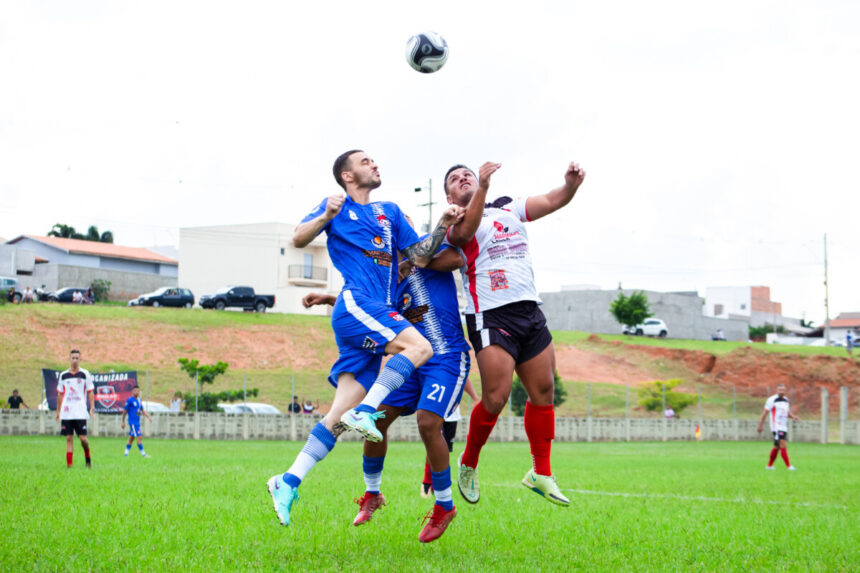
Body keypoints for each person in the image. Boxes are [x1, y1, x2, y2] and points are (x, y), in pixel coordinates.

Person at [267, 149, 464, 528]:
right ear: (347, 175)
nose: (375, 164)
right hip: (360, 305)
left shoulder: (389, 211)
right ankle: (367, 411)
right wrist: (325, 214)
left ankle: (288, 481)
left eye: (374, 160)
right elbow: (298, 238)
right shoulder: (335, 208)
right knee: (420, 347)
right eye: (365, 161)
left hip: (370, 313)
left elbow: (421, 254)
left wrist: (440, 223)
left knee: (336, 418)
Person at [438, 159, 586, 507]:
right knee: (496, 396)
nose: (463, 179)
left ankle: (541, 473)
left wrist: (571, 186)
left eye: (467, 175)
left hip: (528, 309)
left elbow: (551, 201)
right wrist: (482, 189)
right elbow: (462, 238)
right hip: (490, 313)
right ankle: (469, 462)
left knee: (544, 390)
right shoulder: (454, 220)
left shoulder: (505, 206)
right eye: (455, 180)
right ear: (449, 195)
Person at [422, 378, 479, 499]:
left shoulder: (458, 363)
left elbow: (464, 378)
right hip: (436, 409)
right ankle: (427, 482)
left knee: (444, 450)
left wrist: (475, 397)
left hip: (452, 414)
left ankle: (435, 486)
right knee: (434, 445)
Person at [56, 349, 95, 468]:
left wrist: (92, 407)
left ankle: (88, 459)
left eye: (77, 358)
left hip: (80, 411)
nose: (75, 360)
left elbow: (90, 392)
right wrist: (58, 411)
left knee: (83, 439)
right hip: (67, 412)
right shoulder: (63, 375)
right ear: (69, 359)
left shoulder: (85, 374)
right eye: (73, 358)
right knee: (69, 437)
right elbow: (60, 394)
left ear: (80, 359)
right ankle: (69, 465)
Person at [757, 383, 800, 470]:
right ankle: (789, 466)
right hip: (776, 427)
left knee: (777, 447)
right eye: (780, 390)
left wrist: (793, 417)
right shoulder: (771, 400)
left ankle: (769, 466)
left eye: (783, 390)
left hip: (783, 426)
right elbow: (765, 413)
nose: (782, 391)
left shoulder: (786, 400)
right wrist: (760, 425)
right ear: (776, 391)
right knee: (783, 444)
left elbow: (786, 412)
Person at [122, 385, 154, 457]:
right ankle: (144, 455)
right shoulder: (130, 400)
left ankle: (125, 454)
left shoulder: (139, 400)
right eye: (135, 391)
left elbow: (142, 410)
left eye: (138, 391)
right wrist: (123, 421)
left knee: (131, 438)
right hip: (133, 423)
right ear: (132, 392)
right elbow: (125, 411)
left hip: (137, 422)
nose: (137, 392)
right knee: (139, 437)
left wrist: (149, 417)